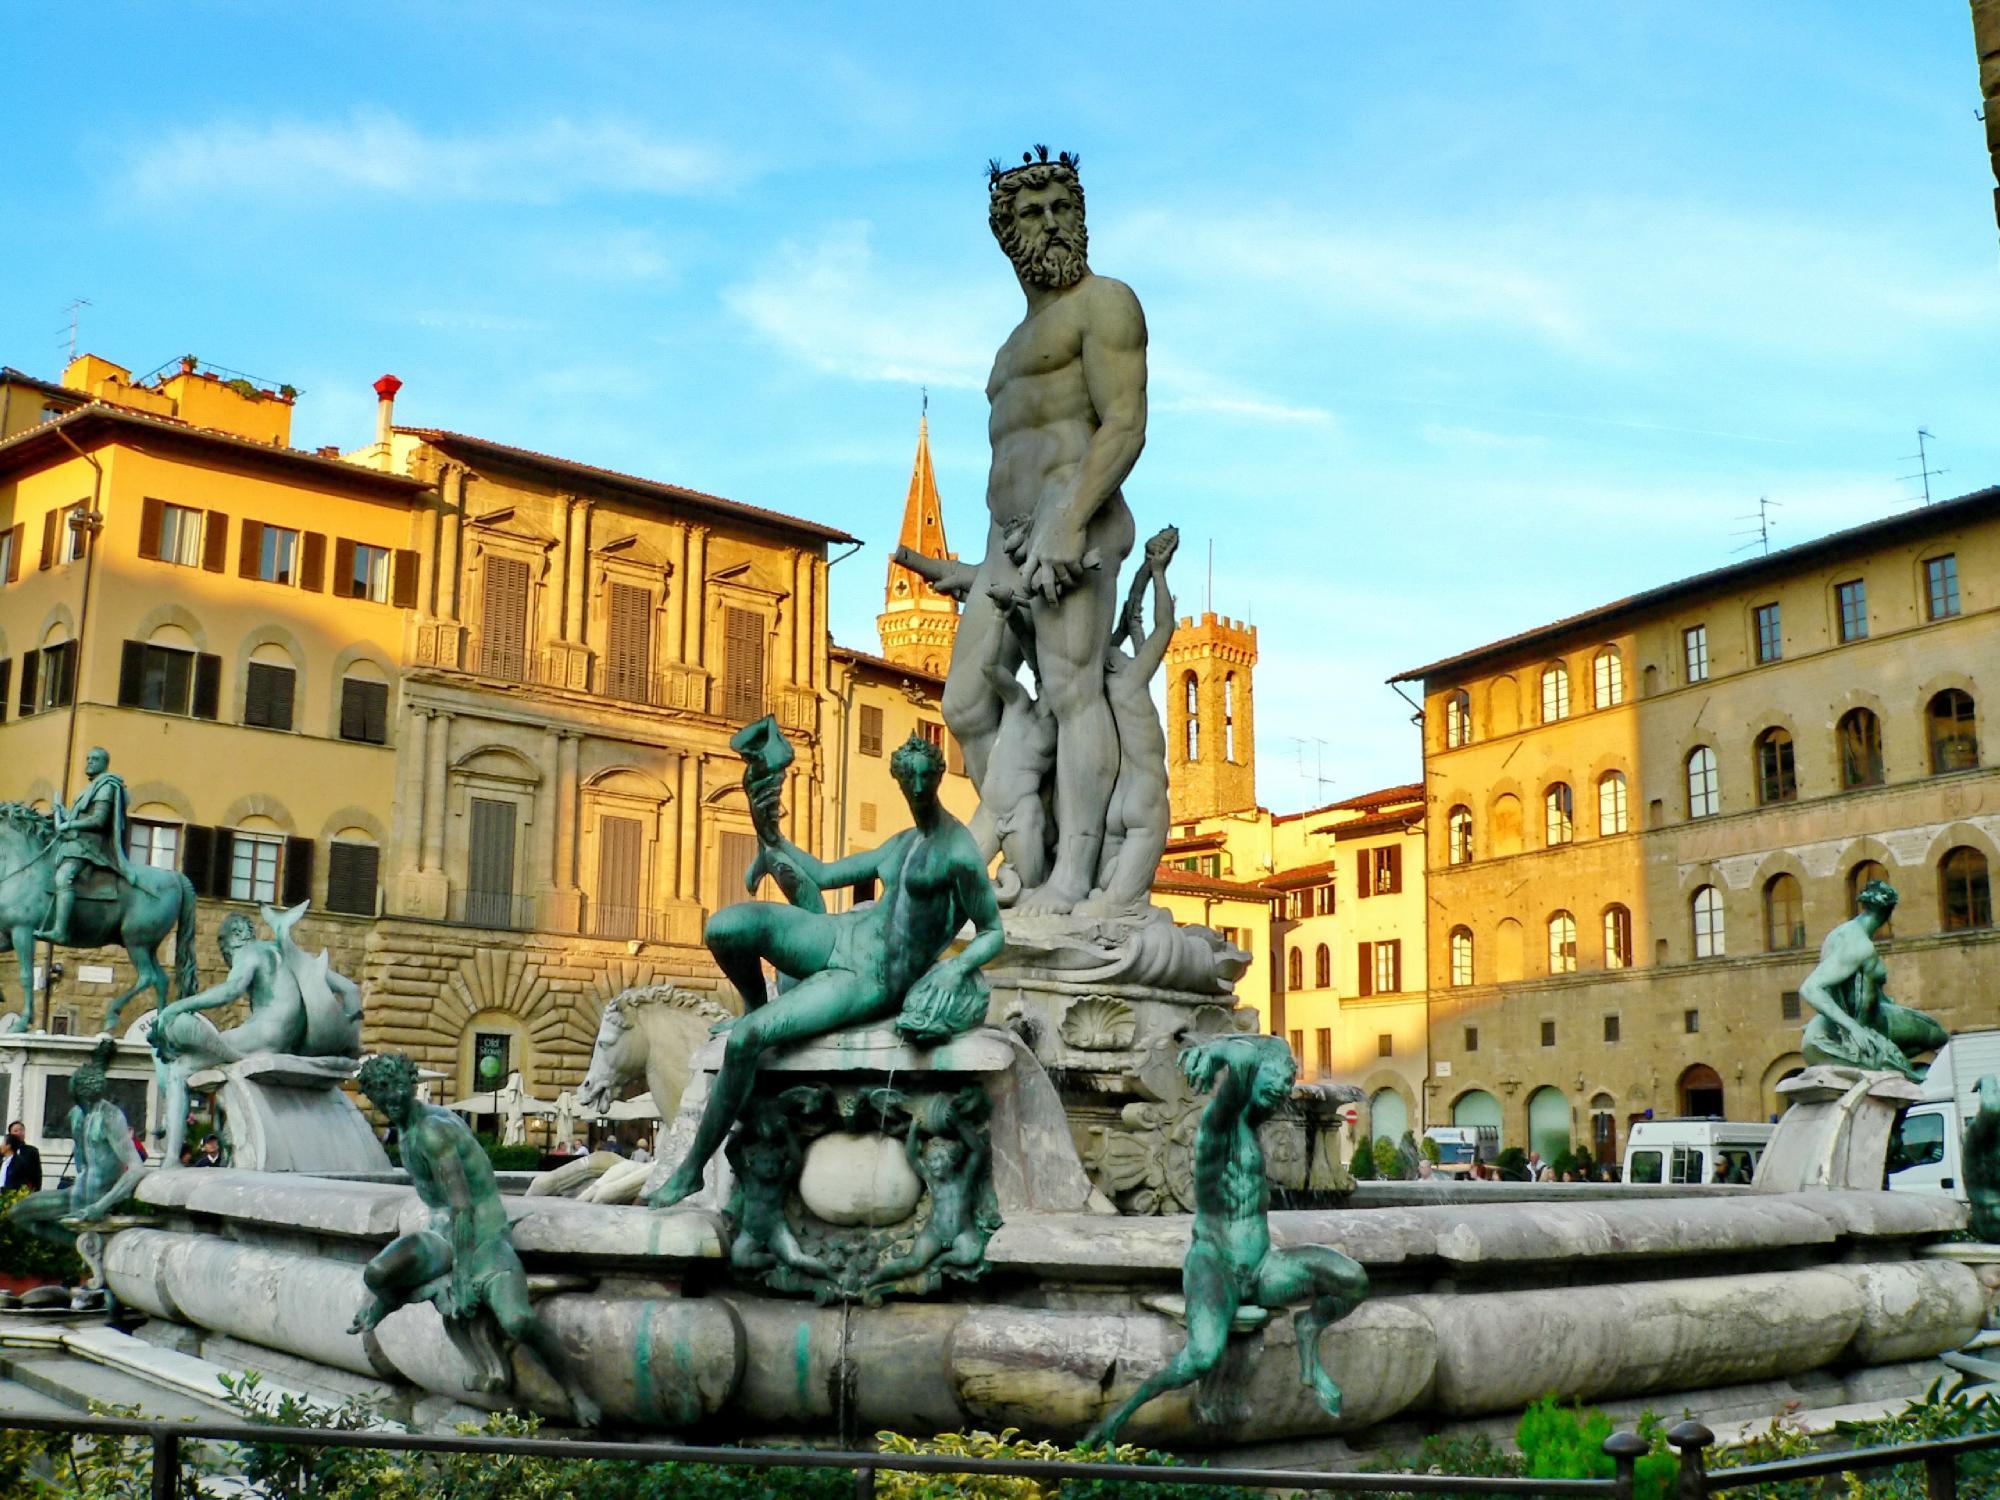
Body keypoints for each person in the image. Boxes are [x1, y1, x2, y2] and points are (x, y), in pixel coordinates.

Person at [649, 733, 1004, 1209]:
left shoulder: (958, 852)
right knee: (726, 927)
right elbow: (821, 875)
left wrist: (955, 969)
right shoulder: (901, 843)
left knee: (747, 1040)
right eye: (910, 776)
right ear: (898, 779)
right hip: (841, 935)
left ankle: (691, 1170)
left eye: (927, 775)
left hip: (872, 977)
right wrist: (770, 833)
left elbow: (992, 931)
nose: (918, 784)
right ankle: (755, 1002)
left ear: (939, 776)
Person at [938, 149, 1149, 916]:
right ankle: (1030, 847)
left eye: (1063, 207)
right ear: (1006, 233)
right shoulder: (1008, 349)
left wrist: (1068, 520)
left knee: (1070, 691)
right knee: (964, 703)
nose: (1052, 223)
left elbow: (1124, 425)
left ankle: (1075, 876)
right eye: (1032, 213)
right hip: (1005, 537)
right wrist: (980, 565)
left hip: (1077, 515)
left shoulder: (1108, 303)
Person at [1085, 1035, 1367, 1444]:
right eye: (1269, 1092)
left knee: (1353, 1278)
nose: (1275, 1102)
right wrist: (1215, 1051)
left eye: (1281, 1095)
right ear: (1249, 1085)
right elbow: (1242, 1062)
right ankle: (1115, 1420)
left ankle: (1309, 1329)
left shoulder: (1251, 1131)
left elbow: (1261, 1052)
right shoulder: (1219, 1128)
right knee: (1200, 1357)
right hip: (1215, 1263)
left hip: (1263, 1266)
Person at [349, 1053, 600, 1427]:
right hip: (441, 1232)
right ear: (374, 1097)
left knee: (517, 1320)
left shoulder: (432, 1131)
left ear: (409, 1085)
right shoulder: (405, 1128)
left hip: (481, 1234)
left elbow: (463, 1208)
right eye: (383, 1093)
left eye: (398, 1089)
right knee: (377, 1272)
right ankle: (388, 1299)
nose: (393, 1098)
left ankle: (576, 1392)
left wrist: (464, 1277)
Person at [151, 905, 362, 1166]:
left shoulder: (249, 953)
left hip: (263, 1034)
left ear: (237, 935)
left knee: (179, 1070)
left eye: (224, 947)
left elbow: (232, 990)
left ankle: (171, 1158)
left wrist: (179, 1005)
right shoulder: (283, 953)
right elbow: (350, 989)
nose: (226, 955)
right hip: (286, 1040)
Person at [1799, 880, 1946, 1079]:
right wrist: (1853, 1028)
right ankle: (1905, 1070)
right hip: (1870, 1023)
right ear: (1888, 913)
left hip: (1872, 1014)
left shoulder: (1839, 933)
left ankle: (1901, 1067)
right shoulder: (1859, 945)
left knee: (1928, 1033)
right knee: (1937, 1034)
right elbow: (1810, 988)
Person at [36, 747, 136, 946]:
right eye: (88, 758)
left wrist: (70, 824)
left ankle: (60, 931)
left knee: (64, 877)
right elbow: (79, 816)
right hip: (74, 843)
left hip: (89, 846)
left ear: (104, 763)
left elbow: (99, 820)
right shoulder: (88, 790)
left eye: (95, 759)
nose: (89, 762)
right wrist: (62, 812)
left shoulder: (106, 786)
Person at [3, 1122, 40, 1193]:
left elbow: (37, 1175)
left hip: (24, 1192)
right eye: (16, 1131)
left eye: (21, 1130)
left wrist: (35, 1191)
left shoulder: (32, 1151)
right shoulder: (4, 1151)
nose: (19, 1133)